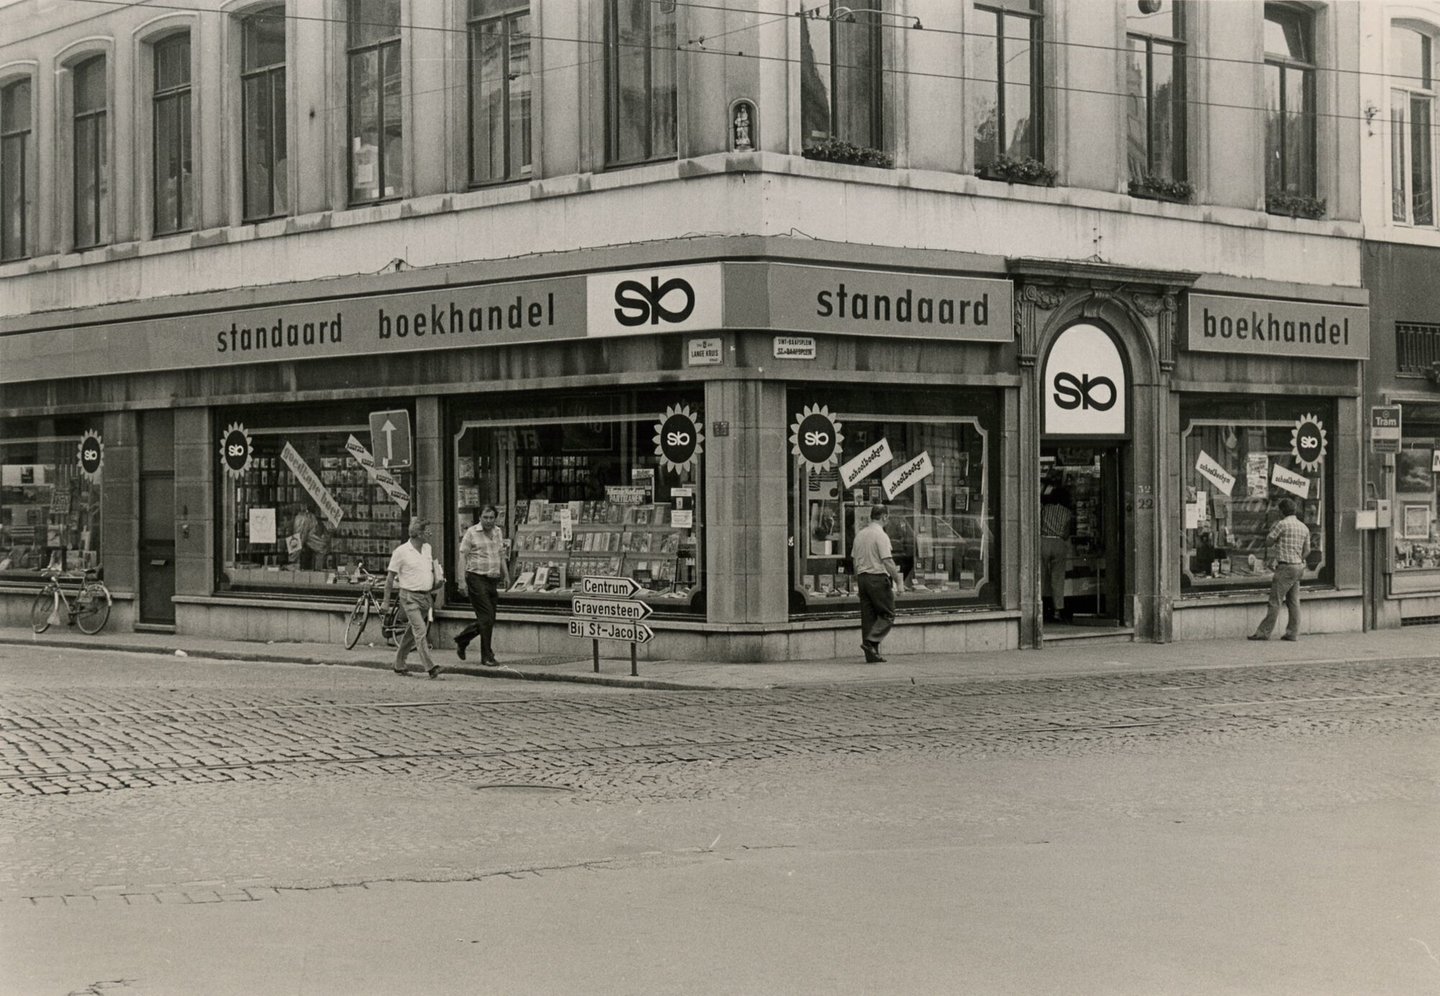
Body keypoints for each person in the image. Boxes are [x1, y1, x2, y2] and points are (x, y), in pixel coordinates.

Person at [381, 517, 445, 678]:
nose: (429, 534)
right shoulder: (401, 552)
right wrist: (386, 602)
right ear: (418, 533)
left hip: (426, 597)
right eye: (426, 531)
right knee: (420, 630)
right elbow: (390, 578)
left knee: (412, 632)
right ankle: (430, 667)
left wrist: (437, 580)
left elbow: (431, 568)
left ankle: (399, 663)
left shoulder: (427, 548)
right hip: (409, 596)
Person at [1249, 497, 1310, 642]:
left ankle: (1263, 632)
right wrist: (1299, 558)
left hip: (1285, 566)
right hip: (1298, 566)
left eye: (1278, 511)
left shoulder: (1282, 524)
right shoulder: (1303, 527)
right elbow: (1307, 550)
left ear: (1282, 511)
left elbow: (1269, 541)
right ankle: (1292, 633)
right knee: (1294, 601)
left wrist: (1273, 535)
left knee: (1275, 601)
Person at [455, 504, 510, 666]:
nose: (488, 521)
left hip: (492, 579)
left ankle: (462, 639)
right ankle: (487, 655)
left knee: (489, 619)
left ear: (495, 518)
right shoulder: (471, 533)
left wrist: (506, 574)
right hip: (476, 578)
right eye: (485, 517)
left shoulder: (498, 532)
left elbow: (501, 555)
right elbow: (462, 557)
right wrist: (461, 580)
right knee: (486, 617)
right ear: (479, 518)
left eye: (491, 518)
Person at [850, 503, 904, 663]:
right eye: (887, 517)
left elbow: (854, 562)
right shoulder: (881, 535)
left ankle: (871, 655)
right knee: (888, 613)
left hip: (862, 578)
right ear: (884, 517)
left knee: (868, 617)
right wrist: (899, 581)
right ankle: (870, 643)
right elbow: (887, 561)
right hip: (877, 578)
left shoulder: (860, 534)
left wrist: (857, 581)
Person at [1039, 484, 1074, 623]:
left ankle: (1038, 607)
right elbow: (1066, 534)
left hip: (1043, 541)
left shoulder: (1044, 509)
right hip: (1059, 543)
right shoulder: (1067, 513)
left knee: (1040, 576)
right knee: (1057, 578)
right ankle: (1057, 610)